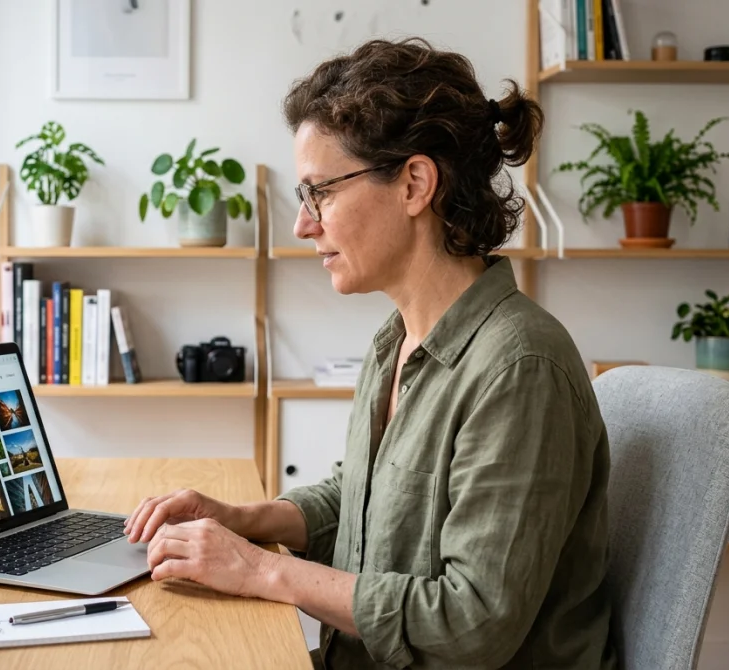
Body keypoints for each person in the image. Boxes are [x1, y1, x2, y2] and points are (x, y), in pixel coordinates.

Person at [123, 37, 615, 669]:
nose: (304, 225)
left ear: (414, 183)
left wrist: (259, 572)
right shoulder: (396, 342)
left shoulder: (519, 369)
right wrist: (243, 518)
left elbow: (473, 623)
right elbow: (362, 502)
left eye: (319, 192)